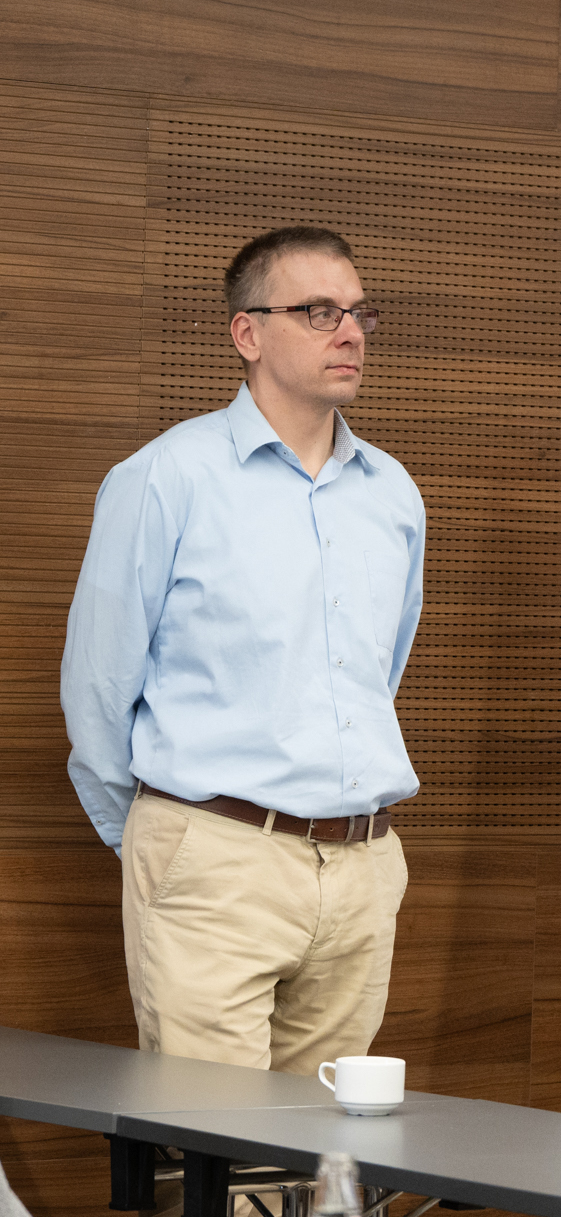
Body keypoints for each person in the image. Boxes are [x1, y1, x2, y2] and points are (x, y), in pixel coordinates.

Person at [62, 226, 425, 1074]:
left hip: (362, 869)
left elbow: (377, 676)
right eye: (319, 312)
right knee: (213, 1137)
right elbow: (98, 687)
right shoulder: (166, 477)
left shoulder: (393, 494)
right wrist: (165, 840)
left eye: (359, 312)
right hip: (214, 857)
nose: (350, 332)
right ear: (248, 333)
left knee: (323, 1144)